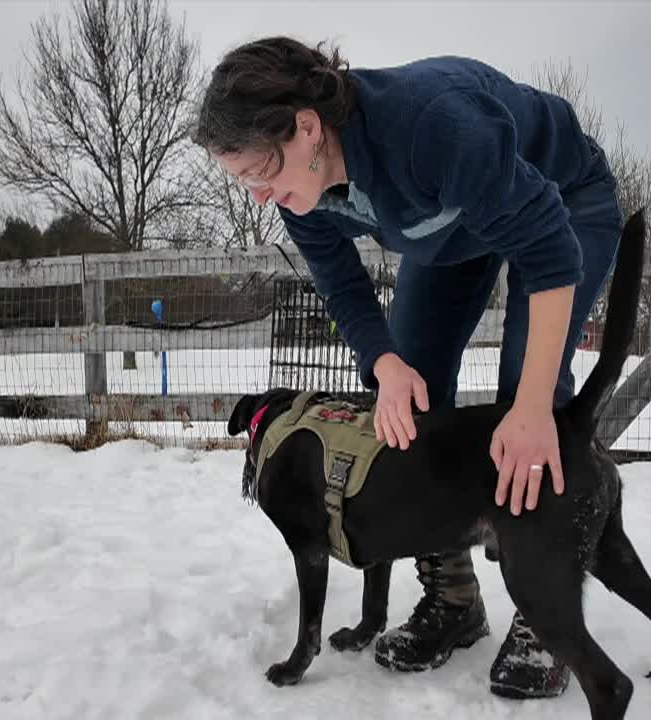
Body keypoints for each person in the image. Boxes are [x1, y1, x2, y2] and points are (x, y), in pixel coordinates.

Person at [191, 36, 623, 700]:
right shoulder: (300, 194)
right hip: (452, 230)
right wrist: (386, 362)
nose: (257, 196)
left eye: (257, 174)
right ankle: (454, 598)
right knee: (408, 393)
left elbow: (549, 253)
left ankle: (543, 617)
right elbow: (340, 283)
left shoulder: (432, 127)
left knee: (525, 405)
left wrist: (534, 409)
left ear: (306, 128)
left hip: (562, 205)